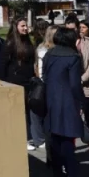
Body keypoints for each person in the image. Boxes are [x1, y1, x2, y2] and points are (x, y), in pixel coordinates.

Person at [42, 27, 88, 177]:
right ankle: (72, 172)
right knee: (68, 138)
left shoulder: (49, 54)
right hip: (68, 101)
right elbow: (75, 84)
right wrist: (80, 101)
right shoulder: (73, 57)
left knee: (55, 137)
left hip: (51, 99)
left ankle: (57, 173)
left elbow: (45, 76)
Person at [0, 18, 36, 149]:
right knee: (20, 111)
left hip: (28, 80)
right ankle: (23, 140)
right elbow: (2, 64)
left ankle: (31, 137)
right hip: (15, 81)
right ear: (16, 27)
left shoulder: (27, 41)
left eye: (26, 25)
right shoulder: (10, 43)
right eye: (22, 26)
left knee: (28, 109)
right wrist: (3, 82)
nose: (25, 28)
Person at [66, 14, 89, 155]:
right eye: (67, 29)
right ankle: (71, 146)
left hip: (87, 87)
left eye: (73, 29)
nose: (70, 32)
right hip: (69, 87)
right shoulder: (65, 44)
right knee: (72, 117)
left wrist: (81, 79)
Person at [29, 22, 54, 151]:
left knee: (40, 112)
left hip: (43, 82)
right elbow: (38, 67)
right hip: (44, 83)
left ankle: (42, 138)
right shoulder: (43, 49)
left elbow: (37, 67)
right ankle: (41, 138)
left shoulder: (40, 48)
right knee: (38, 112)